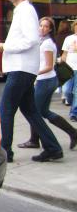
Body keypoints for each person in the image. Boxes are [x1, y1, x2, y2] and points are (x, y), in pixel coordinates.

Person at [0, 0, 63, 162]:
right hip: (23, 68)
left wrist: (4, 46)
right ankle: (53, 148)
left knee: (6, 109)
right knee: (30, 110)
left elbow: (31, 40)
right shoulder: (22, 11)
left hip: (21, 69)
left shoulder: (26, 11)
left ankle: (5, 151)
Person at [17, 17, 77, 151]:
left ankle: (35, 140)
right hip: (45, 80)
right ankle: (72, 132)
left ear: (50, 29)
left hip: (46, 80)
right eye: (40, 26)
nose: (42, 28)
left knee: (34, 111)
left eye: (46, 27)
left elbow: (49, 66)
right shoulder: (40, 41)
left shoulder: (47, 43)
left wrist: (34, 73)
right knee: (43, 111)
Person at [61, 20, 77, 107]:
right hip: (68, 68)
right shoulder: (68, 38)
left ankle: (74, 113)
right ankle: (71, 103)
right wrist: (61, 65)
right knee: (67, 90)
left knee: (76, 91)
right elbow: (65, 53)